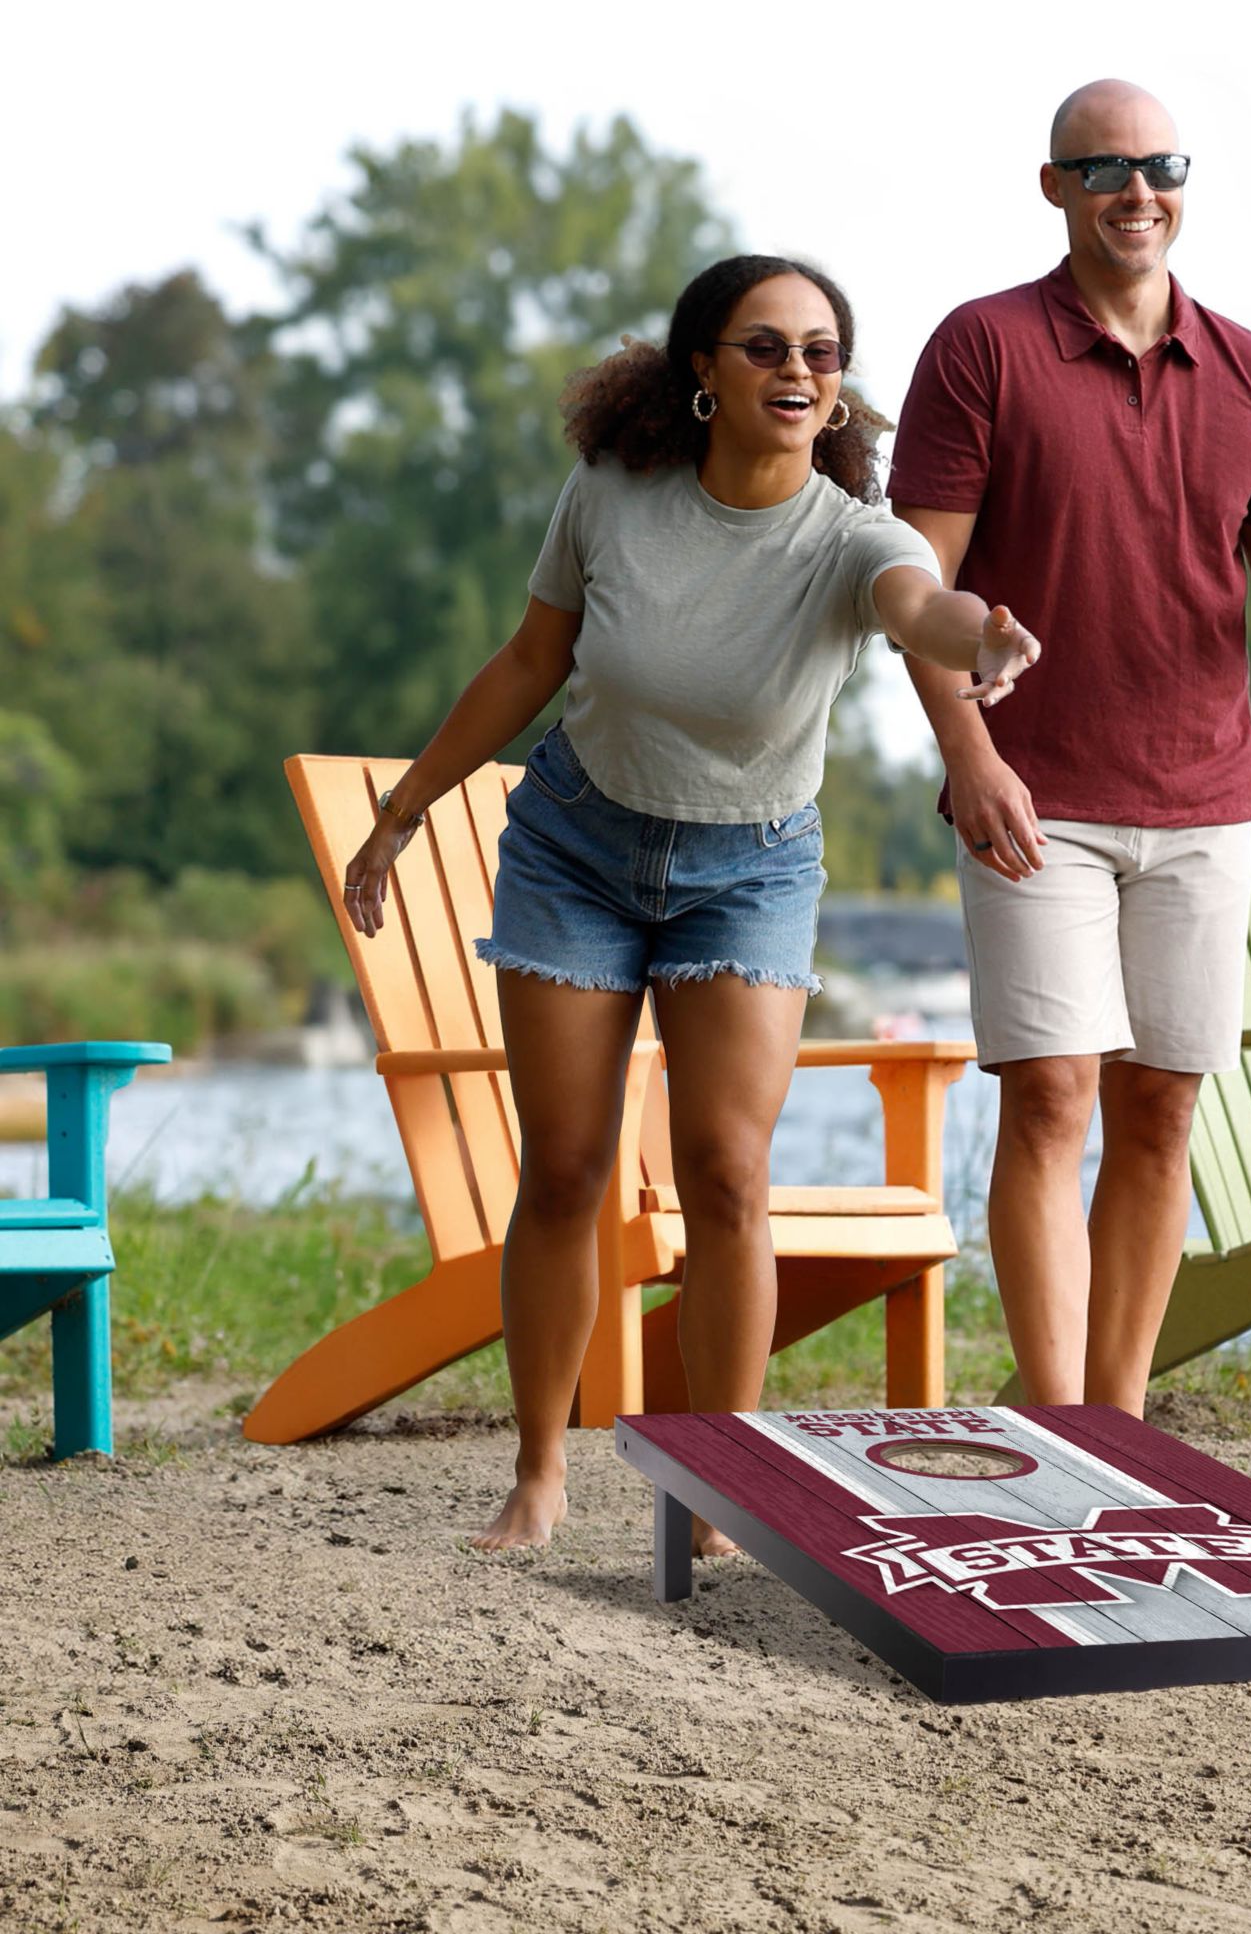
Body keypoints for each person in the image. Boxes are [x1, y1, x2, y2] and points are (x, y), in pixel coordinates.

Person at [340, 254, 1040, 1553]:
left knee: (727, 1173)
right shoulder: (613, 495)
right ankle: (542, 1473)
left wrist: (980, 641)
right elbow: (531, 660)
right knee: (565, 1168)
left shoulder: (853, 536)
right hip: (576, 851)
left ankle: (724, 1488)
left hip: (751, 869)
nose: (796, 372)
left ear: (838, 393)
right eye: (765, 347)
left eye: (821, 354)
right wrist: (410, 804)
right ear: (704, 374)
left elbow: (919, 609)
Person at [887, 80, 1251, 1415]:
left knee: (1161, 1110)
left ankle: (1115, 1421)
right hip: (1033, 800)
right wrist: (968, 755)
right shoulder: (980, 350)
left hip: (1204, 801)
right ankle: (1056, 1421)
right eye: (1102, 167)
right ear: (1052, 186)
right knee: (1053, 1096)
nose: (1135, 190)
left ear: (1184, 181)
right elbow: (909, 585)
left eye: (1158, 164)